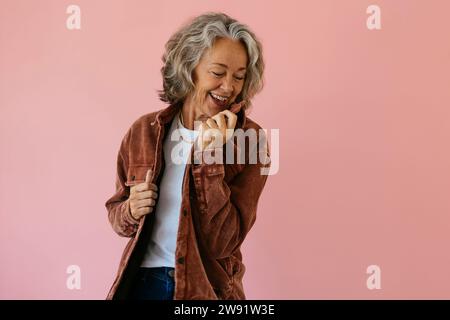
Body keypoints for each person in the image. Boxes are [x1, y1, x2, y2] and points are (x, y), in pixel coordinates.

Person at [105, 12, 270, 300]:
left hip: (205, 290)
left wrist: (209, 157)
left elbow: (223, 242)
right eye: (218, 72)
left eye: (239, 76)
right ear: (188, 67)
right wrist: (130, 210)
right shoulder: (143, 131)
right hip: (140, 284)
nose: (229, 87)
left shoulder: (251, 140)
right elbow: (116, 213)